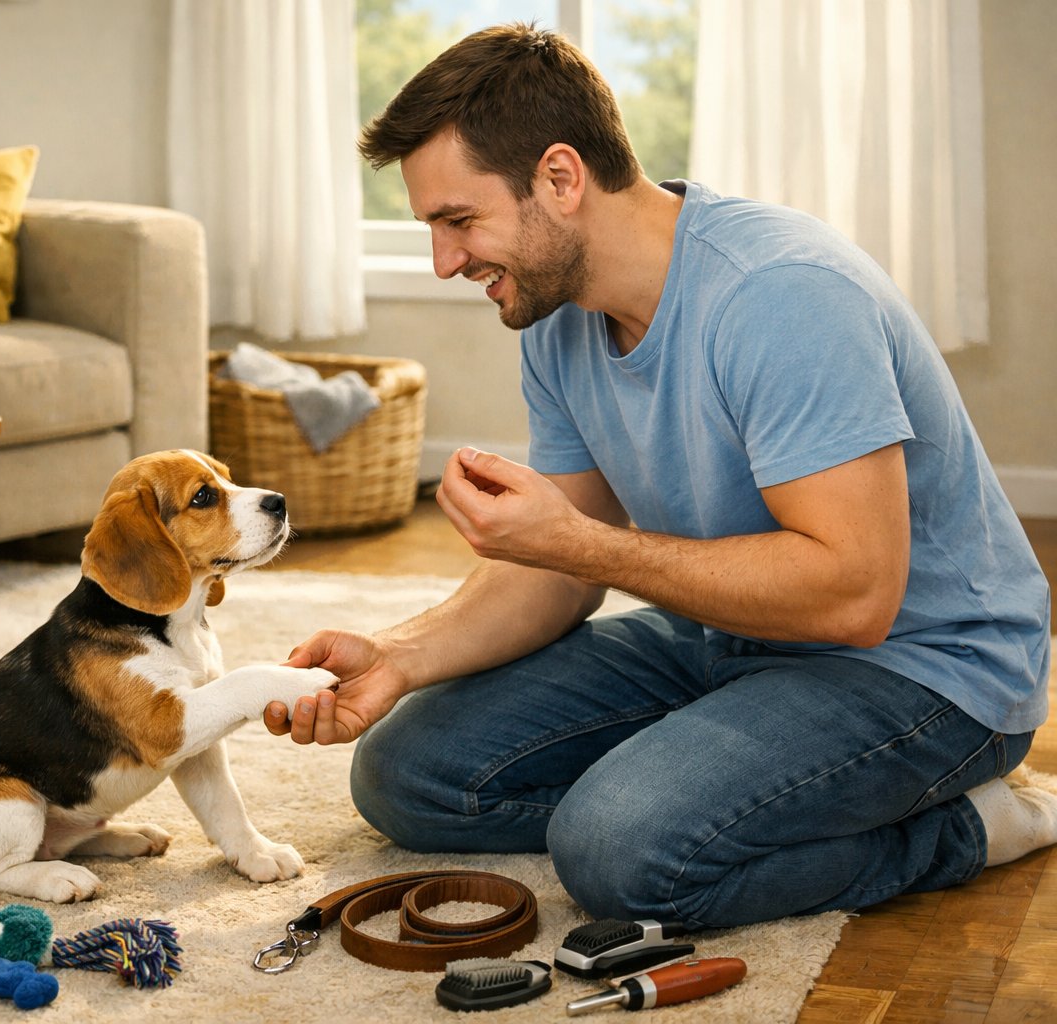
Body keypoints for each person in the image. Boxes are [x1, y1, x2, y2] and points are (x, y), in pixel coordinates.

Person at [263, 22, 1055, 930]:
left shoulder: (781, 295)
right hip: (739, 632)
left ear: (560, 179)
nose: (446, 262)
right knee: (411, 778)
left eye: (458, 220)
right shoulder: (558, 317)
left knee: (619, 853)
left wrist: (581, 544)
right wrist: (400, 655)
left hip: (926, 670)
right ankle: (731, 791)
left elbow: (853, 596)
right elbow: (557, 571)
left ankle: (967, 827)